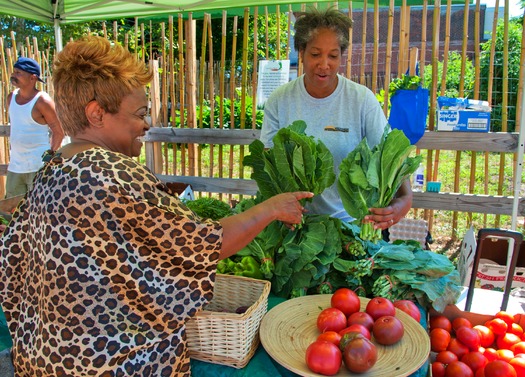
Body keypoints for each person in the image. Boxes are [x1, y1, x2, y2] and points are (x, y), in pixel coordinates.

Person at [0, 36, 312, 377]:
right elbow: (204, 244)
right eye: (140, 113)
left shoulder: (52, 168)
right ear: (96, 113)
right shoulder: (114, 174)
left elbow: (13, 266)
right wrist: (268, 209)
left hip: (46, 358)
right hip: (114, 365)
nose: (147, 124)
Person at [260, 7, 412, 232]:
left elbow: (391, 155)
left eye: (333, 55)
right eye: (315, 54)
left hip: (352, 225)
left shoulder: (361, 100)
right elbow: (268, 161)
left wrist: (404, 200)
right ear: (301, 52)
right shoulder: (280, 100)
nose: (324, 64)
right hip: (295, 226)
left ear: (342, 55)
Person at [5, 56, 64, 198]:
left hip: (38, 167)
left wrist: (49, 158)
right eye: (14, 72)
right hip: (15, 167)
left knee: (41, 209)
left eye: (19, 73)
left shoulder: (42, 101)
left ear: (33, 78)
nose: (13, 75)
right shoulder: (10, 98)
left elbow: (59, 131)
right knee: (13, 213)